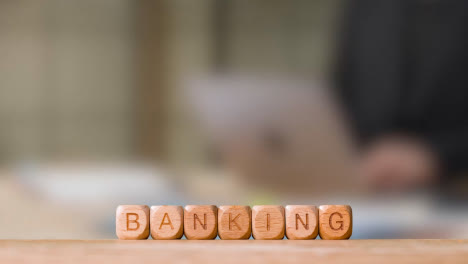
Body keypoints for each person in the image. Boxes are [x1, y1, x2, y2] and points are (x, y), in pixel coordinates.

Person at [334, 0, 468, 191]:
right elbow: (339, 98)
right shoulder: (366, 7)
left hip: (454, 192)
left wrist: (438, 156)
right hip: (368, 190)